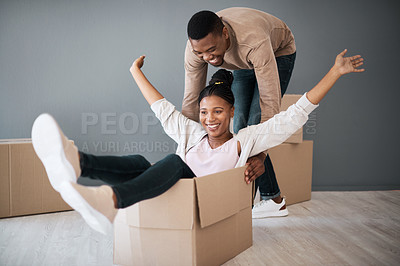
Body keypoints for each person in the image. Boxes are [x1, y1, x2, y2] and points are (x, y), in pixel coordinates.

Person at [31, 49, 364, 235]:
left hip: (204, 202)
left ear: (231, 112)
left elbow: (294, 116)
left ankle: (113, 201)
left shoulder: (244, 142)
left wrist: (334, 73)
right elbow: (161, 107)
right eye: (205, 112)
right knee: (138, 163)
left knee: (175, 163)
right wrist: (134, 71)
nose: (209, 119)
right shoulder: (192, 134)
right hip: (174, 194)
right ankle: (77, 161)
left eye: (218, 112)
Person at [183, 8, 298, 218]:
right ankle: (265, 197)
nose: (207, 58)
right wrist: (185, 148)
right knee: (239, 127)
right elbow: (191, 101)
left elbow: (270, 105)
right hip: (242, 59)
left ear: (224, 33)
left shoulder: (254, 42)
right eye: (200, 53)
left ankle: (272, 199)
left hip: (277, 51)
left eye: (211, 50)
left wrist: (261, 156)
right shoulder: (196, 50)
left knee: (254, 124)